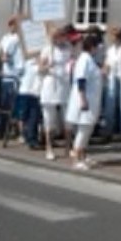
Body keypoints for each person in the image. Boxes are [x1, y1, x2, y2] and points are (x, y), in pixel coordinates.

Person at [65, 34, 103, 170]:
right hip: (85, 100)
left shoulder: (90, 60)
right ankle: (75, 159)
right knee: (83, 130)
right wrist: (82, 99)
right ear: (92, 47)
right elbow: (81, 79)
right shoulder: (84, 59)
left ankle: (82, 156)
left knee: (87, 129)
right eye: (97, 46)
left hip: (92, 100)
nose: (98, 49)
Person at [39, 27, 72, 161]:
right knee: (49, 119)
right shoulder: (47, 49)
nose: (62, 38)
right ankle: (49, 148)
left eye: (63, 36)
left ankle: (68, 148)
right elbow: (40, 69)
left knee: (68, 118)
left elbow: (72, 62)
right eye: (59, 36)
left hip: (64, 86)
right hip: (50, 85)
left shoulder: (68, 48)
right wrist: (47, 66)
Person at [0, 16, 24, 139]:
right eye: (10, 24)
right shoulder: (5, 38)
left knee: (14, 105)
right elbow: (1, 52)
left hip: (16, 75)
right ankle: (3, 130)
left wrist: (5, 56)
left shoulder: (18, 39)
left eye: (14, 24)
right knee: (5, 105)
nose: (12, 26)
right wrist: (3, 57)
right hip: (7, 75)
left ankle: (13, 130)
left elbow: (7, 53)